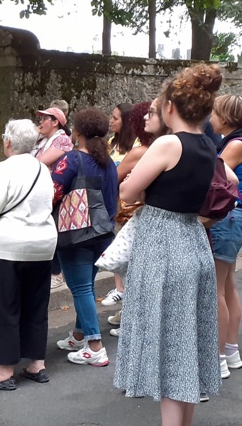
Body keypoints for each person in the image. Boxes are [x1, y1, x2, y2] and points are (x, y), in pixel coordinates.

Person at [115, 64, 222, 424]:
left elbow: (127, 189)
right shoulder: (208, 145)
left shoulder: (167, 143)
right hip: (193, 240)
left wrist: (141, 185)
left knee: (170, 352)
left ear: (170, 107)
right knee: (185, 349)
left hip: (163, 244)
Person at [0, 119, 57, 391]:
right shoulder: (43, 170)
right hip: (42, 246)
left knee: (4, 306)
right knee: (35, 305)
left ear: (7, 141)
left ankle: (5, 370)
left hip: (7, 248)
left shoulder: (3, 170)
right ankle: (36, 363)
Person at [52, 108, 117, 366]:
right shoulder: (108, 162)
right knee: (86, 286)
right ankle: (79, 335)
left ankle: (94, 345)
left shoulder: (72, 159)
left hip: (75, 233)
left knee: (80, 288)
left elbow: (53, 191)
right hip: (102, 232)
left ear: (77, 131)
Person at [100, 102, 148, 310]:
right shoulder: (111, 142)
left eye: (116, 118)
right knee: (120, 254)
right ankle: (121, 295)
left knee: (129, 257)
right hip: (118, 206)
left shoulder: (138, 147)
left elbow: (116, 177)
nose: (111, 121)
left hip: (132, 206)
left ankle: (127, 304)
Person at [208, 94, 242, 379]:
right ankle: (230, 350)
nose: (210, 117)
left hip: (226, 216)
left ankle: (217, 356)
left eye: (215, 112)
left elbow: (214, 174)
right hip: (236, 218)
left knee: (217, 289)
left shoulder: (234, 145)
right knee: (228, 284)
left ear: (227, 117)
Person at [31, 106, 73, 290]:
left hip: (56, 194)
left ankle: (56, 274)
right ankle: (45, 271)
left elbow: (38, 162)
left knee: (53, 232)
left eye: (45, 119)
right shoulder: (42, 140)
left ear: (55, 122)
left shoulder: (62, 140)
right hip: (42, 192)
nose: (40, 122)